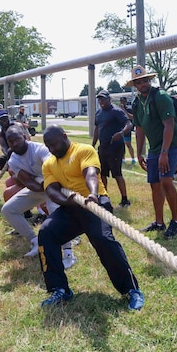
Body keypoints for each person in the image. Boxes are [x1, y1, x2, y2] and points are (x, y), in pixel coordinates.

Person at [37, 125, 144, 310]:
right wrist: (68, 202)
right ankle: (60, 289)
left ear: (64, 136)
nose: (51, 149)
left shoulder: (83, 150)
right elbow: (51, 190)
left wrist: (93, 194)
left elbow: (91, 174)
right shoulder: (49, 163)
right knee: (46, 233)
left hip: (95, 202)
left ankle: (131, 290)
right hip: (71, 206)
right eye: (48, 146)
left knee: (103, 239)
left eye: (54, 144)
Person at [0, 126, 76, 267]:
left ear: (24, 136)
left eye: (17, 139)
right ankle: (35, 241)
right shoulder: (13, 161)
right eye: (11, 142)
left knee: (54, 209)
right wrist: (40, 183)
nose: (15, 143)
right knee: (8, 210)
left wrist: (44, 183)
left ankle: (69, 254)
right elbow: (29, 184)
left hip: (56, 185)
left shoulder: (39, 149)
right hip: (40, 187)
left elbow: (52, 169)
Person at [128, 65, 177, 238]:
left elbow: (169, 125)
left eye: (145, 80)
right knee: (154, 183)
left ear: (149, 80)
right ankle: (159, 223)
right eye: (138, 82)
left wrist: (164, 153)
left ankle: (176, 221)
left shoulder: (161, 97)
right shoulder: (136, 102)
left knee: (166, 180)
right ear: (135, 85)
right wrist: (138, 153)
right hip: (154, 148)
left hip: (171, 144)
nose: (143, 84)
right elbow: (139, 129)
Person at [92, 90, 133, 207]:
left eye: (103, 99)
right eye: (99, 99)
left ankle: (125, 199)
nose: (101, 101)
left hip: (115, 147)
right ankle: (104, 198)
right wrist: (93, 145)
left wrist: (121, 133)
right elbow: (97, 130)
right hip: (103, 147)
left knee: (117, 174)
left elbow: (129, 124)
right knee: (102, 174)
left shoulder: (116, 111)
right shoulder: (98, 113)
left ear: (109, 99)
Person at [119, 96, 136, 164]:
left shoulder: (129, 109)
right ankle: (123, 159)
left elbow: (131, 117)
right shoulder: (117, 110)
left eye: (124, 101)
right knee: (121, 145)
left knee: (128, 144)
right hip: (119, 129)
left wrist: (124, 110)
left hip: (127, 130)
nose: (122, 103)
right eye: (121, 101)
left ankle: (133, 159)